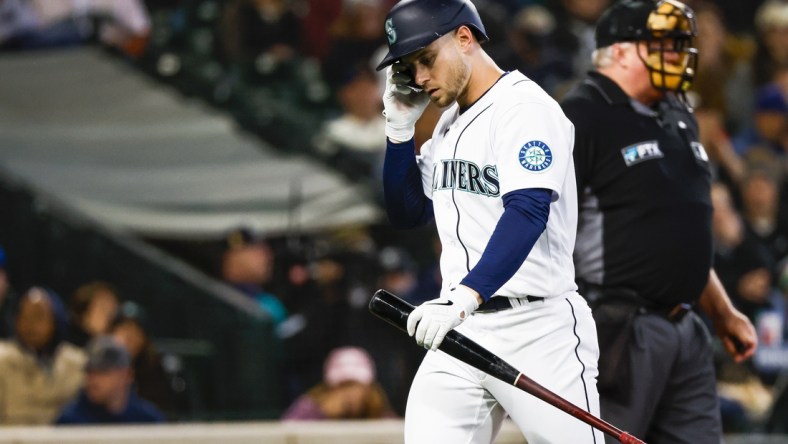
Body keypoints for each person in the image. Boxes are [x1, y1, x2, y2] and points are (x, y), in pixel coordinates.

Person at [378, 0, 603, 443]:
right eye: (409, 66)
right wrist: (400, 131)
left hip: (539, 329)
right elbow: (407, 213)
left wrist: (464, 297)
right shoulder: (446, 124)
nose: (419, 77)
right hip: (461, 327)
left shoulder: (526, 109)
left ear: (465, 38)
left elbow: (528, 211)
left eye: (426, 59)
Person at [558, 1, 758, 443]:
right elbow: (544, 226)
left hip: (687, 327)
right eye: (664, 46)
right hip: (616, 326)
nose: (679, 56)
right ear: (621, 51)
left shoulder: (677, 113)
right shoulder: (579, 116)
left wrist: (722, 311)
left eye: (680, 45)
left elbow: (677, 231)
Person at [0, 287, 86, 424]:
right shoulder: (2, 360)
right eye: (24, 317)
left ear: (55, 319)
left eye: (38, 316)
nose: (31, 325)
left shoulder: (77, 362)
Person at [56, 335, 165, 424]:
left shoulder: (147, 419)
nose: (93, 379)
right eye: (89, 371)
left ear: (127, 375)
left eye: (103, 371)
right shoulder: (70, 420)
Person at [281, 346, 397, 420]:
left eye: (354, 385)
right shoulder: (309, 408)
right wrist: (323, 414)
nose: (349, 393)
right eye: (343, 385)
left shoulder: (377, 409)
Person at [67, 281, 121, 348]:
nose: (109, 315)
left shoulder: (111, 350)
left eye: (113, 310)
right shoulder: (63, 335)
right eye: (103, 307)